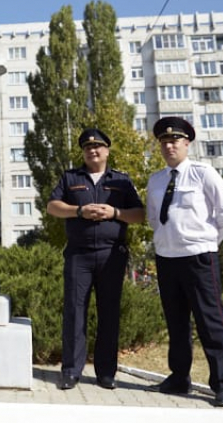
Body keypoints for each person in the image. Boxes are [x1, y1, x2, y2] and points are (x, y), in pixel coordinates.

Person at [146, 117, 223, 408]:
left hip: (199, 257)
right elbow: (153, 218)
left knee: (210, 321)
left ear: (187, 143)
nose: (169, 146)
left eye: (175, 141)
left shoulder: (203, 173)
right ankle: (179, 377)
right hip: (167, 258)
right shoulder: (156, 180)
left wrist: (207, 241)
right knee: (176, 323)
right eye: (164, 142)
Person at [47, 128, 145, 391]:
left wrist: (115, 212)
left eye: (98, 146)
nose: (93, 150)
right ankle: (70, 371)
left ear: (107, 150)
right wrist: (79, 210)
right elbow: (52, 206)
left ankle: (106, 373)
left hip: (111, 254)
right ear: (83, 152)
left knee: (109, 314)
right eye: (88, 147)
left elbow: (139, 214)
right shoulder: (71, 177)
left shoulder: (122, 181)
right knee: (74, 312)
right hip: (79, 254)